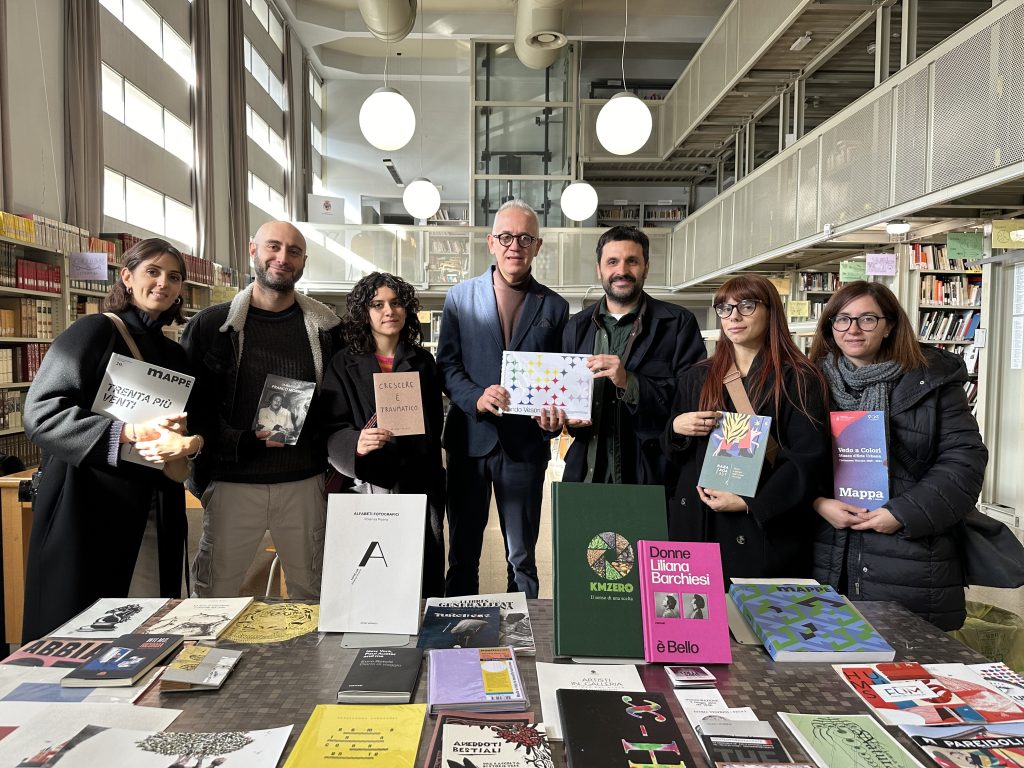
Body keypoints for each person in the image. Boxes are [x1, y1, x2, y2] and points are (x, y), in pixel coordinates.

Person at [21, 238, 203, 640]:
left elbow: (183, 428)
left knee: (149, 621)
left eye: (174, 277)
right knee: (84, 626)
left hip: (156, 505)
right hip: (88, 504)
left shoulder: (176, 356)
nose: (163, 284)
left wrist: (188, 445)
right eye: (152, 272)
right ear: (127, 276)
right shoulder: (93, 331)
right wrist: (128, 432)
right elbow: (41, 413)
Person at [808, 281, 987, 631]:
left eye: (867, 319)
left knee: (905, 673)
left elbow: (964, 462)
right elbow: (793, 460)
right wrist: (817, 502)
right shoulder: (809, 381)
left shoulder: (931, 380)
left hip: (909, 556)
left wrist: (901, 514)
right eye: (841, 319)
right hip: (826, 549)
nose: (853, 330)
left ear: (890, 325)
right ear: (830, 326)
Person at [182, 220, 342, 599]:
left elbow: (336, 402)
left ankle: (308, 662)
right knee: (215, 594)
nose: (282, 258)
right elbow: (193, 405)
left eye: (293, 251)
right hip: (233, 482)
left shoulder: (327, 330)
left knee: (312, 593)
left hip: (303, 483)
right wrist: (240, 443)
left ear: (303, 262)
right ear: (252, 250)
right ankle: (211, 660)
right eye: (273, 247)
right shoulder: (212, 326)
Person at [437, 198, 569, 598]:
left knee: (522, 557)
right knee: (462, 553)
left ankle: (527, 638)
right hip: (469, 443)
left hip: (525, 445)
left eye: (525, 238)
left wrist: (555, 420)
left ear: (538, 246)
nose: (516, 245)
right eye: (507, 237)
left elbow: (561, 379)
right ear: (492, 243)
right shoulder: (460, 297)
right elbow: (447, 366)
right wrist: (475, 397)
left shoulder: (556, 306)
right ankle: (456, 637)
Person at [662, 275, 830, 582]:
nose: (733, 316)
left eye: (746, 306)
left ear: (771, 311)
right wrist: (676, 428)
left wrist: (751, 502)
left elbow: (809, 457)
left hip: (758, 524)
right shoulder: (697, 376)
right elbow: (674, 456)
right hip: (697, 519)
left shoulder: (799, 378)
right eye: (724, 308)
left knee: (753, 619)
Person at [321, 272, 445, 598]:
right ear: (365, 312)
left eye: (396, 302)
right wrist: (356, 444)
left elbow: (434, 426)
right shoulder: (342, 363)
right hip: (367, 485)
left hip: (419, 483)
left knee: (420, 577)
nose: (389, 311)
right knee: (373, 575)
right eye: (378, 304)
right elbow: (332, 427)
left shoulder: (423, 362)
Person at [561, 225, 705, 485]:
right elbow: (569, 400)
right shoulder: (576, 326)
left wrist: (630, 381)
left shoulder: (678, 324)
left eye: (632, 261)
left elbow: (691, 400)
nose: (622, 271)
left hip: (650, 477)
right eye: (612, 262)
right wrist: (562, 419)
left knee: (646, 529)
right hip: (586, 474)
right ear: (599, 269)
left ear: (646, 267)